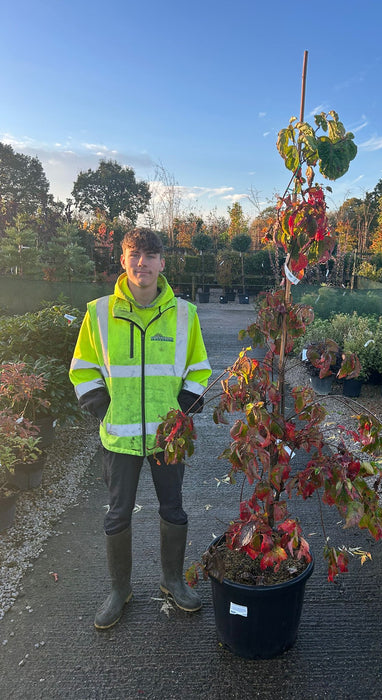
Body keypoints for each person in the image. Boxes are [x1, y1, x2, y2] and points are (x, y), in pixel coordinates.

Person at [69, 228, 211, 630]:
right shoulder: (98, 312)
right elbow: (83, 367)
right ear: (123, 260)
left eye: (151, 255)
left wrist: (185, 407)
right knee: (117, 515)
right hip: (120, 436)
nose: (142, 263)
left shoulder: (185, 314)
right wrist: (100, 405)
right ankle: (120, 590)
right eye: (135, 254)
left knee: (174, 510)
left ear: (163, 263)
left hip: (168, 437)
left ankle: (171, 582)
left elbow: (199, 367)